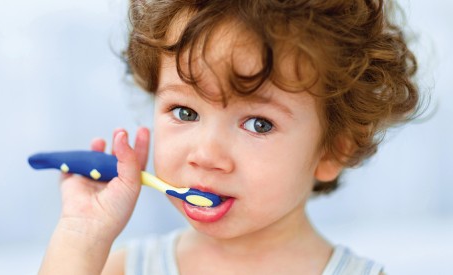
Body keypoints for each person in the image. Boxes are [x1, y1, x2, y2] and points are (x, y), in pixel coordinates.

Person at [38, 0, 421, 274]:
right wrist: (80, 237)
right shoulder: (122, 268)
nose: (205, 155)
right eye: (185, 112)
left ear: (334, 149)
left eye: (258, 123)